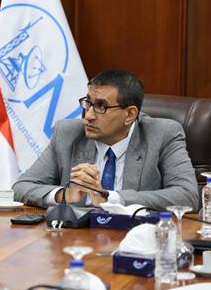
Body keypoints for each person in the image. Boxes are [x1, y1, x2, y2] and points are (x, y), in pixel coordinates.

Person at [13, 69, 199, 211]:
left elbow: (187, 195)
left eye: (101, 106)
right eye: (88, 103)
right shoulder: (67, 133)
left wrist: (110, 198)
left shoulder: (162, 134)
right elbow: (21, 187)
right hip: (76, 240)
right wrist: (64, 195)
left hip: (135, 238)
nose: (88, 115)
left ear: (130, 114)